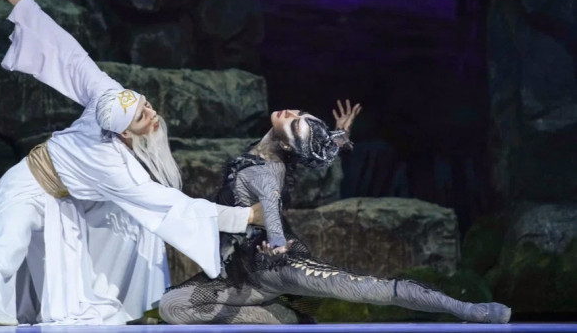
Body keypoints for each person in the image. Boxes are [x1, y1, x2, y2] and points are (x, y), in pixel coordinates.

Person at [0, 0, 263, 326]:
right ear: (123, 133)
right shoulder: (112, 165)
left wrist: (27, 8)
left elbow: (70, 55)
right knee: (7, 243)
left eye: (146, 105)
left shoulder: (109, 95)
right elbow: (174, 205)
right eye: (141, 117)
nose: (152, 115)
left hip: (64, 202)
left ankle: (130, 303)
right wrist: (244, 217)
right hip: (26, 183)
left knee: (134, 226)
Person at [159, 102, 512, 324]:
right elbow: (310, 156)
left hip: (272, 266)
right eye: (298, 115)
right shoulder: (270, 153)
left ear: (288, 143)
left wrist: (277, 245)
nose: (291, 114)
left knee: (366, 288)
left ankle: (467, 309)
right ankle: (278, 316)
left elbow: (271, 213)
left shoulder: (265, 175)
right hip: (237, 273)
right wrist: (337, 136)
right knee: (171, 307)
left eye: (296, 122)